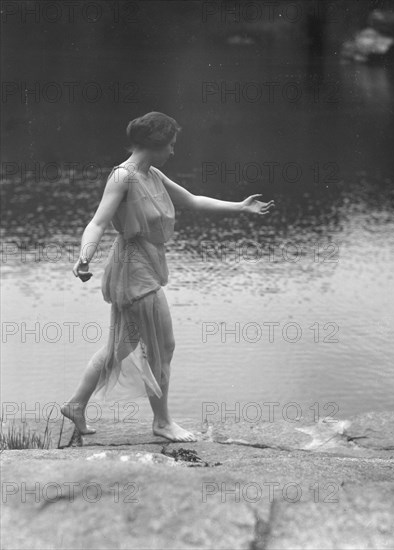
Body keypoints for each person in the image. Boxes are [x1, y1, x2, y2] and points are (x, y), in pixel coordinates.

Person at [61, 111, 275, 442]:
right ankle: (162, 422)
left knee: (120, 346)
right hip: (134, 271)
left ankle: (76, 405)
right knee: (162, 345)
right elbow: (98, 221)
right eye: (171, 145)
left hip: (146, 264)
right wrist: (84, 257)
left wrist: (240, 207)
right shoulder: (123, 177)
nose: (173, 151)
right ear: (155, 144)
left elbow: (192, 200)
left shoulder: (152, 174)